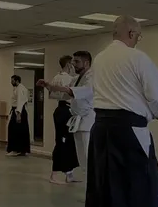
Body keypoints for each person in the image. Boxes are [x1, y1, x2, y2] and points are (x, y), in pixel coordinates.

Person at [84, 16, 158, 207]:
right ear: (131, 33)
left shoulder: (99, 58)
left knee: (102, 187)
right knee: (138, 188)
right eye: (138, 35)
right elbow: (155, 96)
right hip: (129, 131)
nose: (138, 39)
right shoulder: (137, 58)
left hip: (100, 129)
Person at [53, 51, 95, 179]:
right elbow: (66, 94)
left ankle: (94, 183)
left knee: (89, 155)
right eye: (73, 61)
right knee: (81, 156)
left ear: (86, 63)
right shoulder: (76, 79)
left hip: (88, 120)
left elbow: (83, 91)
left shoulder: (92, 77)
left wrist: (60, 88)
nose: (74, 64)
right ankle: (87, 181)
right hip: (77, 120)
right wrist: (51, 87)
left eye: (77, 61)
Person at [37, 55, 79, 184]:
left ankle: (69, 174)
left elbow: (52, 93)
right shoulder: (69, 79)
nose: (74, 66)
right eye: (73, 63)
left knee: (69, 142)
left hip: (62, 110)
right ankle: (54, 174)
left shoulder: (56, 78)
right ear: (68, 65)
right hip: (65, 111)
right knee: (63, 141)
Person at [6, 75, 31, 157]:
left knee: (14, 130)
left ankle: (15, 150)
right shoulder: (19, 88)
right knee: (21, 130)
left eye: (12, 80)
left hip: (19, 111)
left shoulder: (20, 88)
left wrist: (18, 114)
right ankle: (22, 150)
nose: (11, 82)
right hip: (19, 110)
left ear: (17, 81)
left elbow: (20, 101)